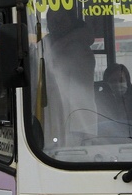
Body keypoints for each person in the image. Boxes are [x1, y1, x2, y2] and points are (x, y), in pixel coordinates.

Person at [42, 10, 98, 146]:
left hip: (77, 124)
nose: (56, 24)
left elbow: (77, 92)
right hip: (53, 117)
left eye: (61, 19)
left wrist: (60, 44)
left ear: (71, 21)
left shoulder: (79, 48)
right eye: (52, 20)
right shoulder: (45, 44)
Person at [96, 62, 132, 137]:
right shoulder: (99, 102)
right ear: (106, 83)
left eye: (121, 81)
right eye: (113, 81)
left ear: (127, 81)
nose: (118, 84)